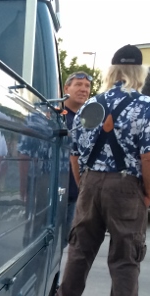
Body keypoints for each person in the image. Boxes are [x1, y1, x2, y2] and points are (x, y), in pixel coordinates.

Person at [55, 45, 150, 296]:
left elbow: (74, 152)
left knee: (80, 248)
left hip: (91, 182)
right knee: (126, 254)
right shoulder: (146, 105)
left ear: (112, 72)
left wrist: (84, 182)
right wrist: (147, 193)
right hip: (126, 185)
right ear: (140, 73)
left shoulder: (92, 104)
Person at [62, 72, 93, 244]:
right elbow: (26, 151)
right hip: (48, 190)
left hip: (77, 193)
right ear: (66, 88)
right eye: (78, 84)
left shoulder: (90, 120)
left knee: (68, 241)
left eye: (87, 86)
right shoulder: (52, 115)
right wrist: (24, 187)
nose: (83, 89)